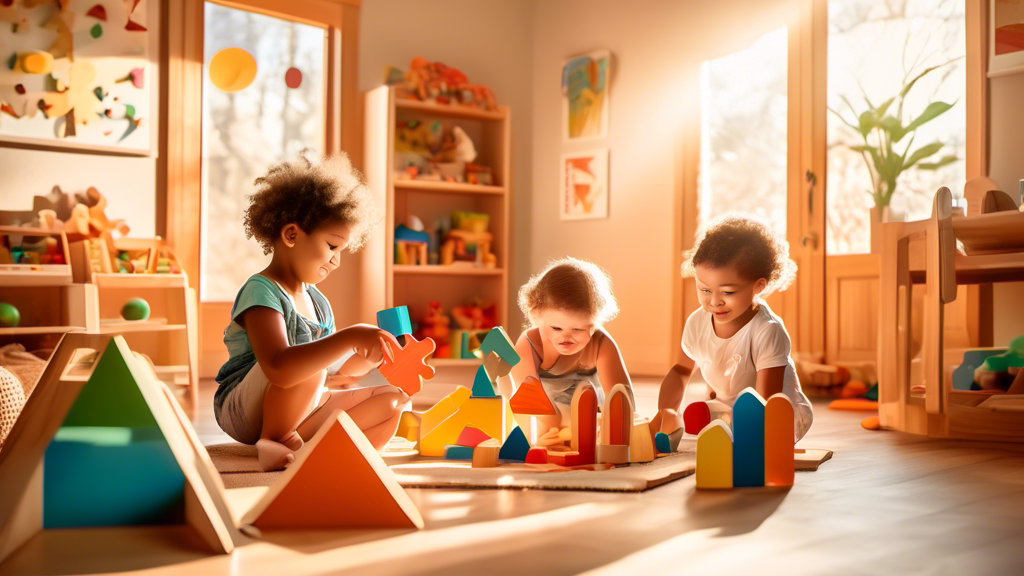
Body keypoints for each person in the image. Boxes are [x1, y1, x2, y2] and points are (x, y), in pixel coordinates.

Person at [214, 153, 406, 471]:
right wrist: (350, 336)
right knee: (306, 367)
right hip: (245, 409)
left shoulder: (318, 302)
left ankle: (323, 453)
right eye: (332, 247)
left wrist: (366, 357)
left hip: (302, 403)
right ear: (292, 235)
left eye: (342, 250)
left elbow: (336, 377)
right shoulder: (262, 291)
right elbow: (279, 368)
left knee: (393, 399)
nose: (336, 260)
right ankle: (272, 441)